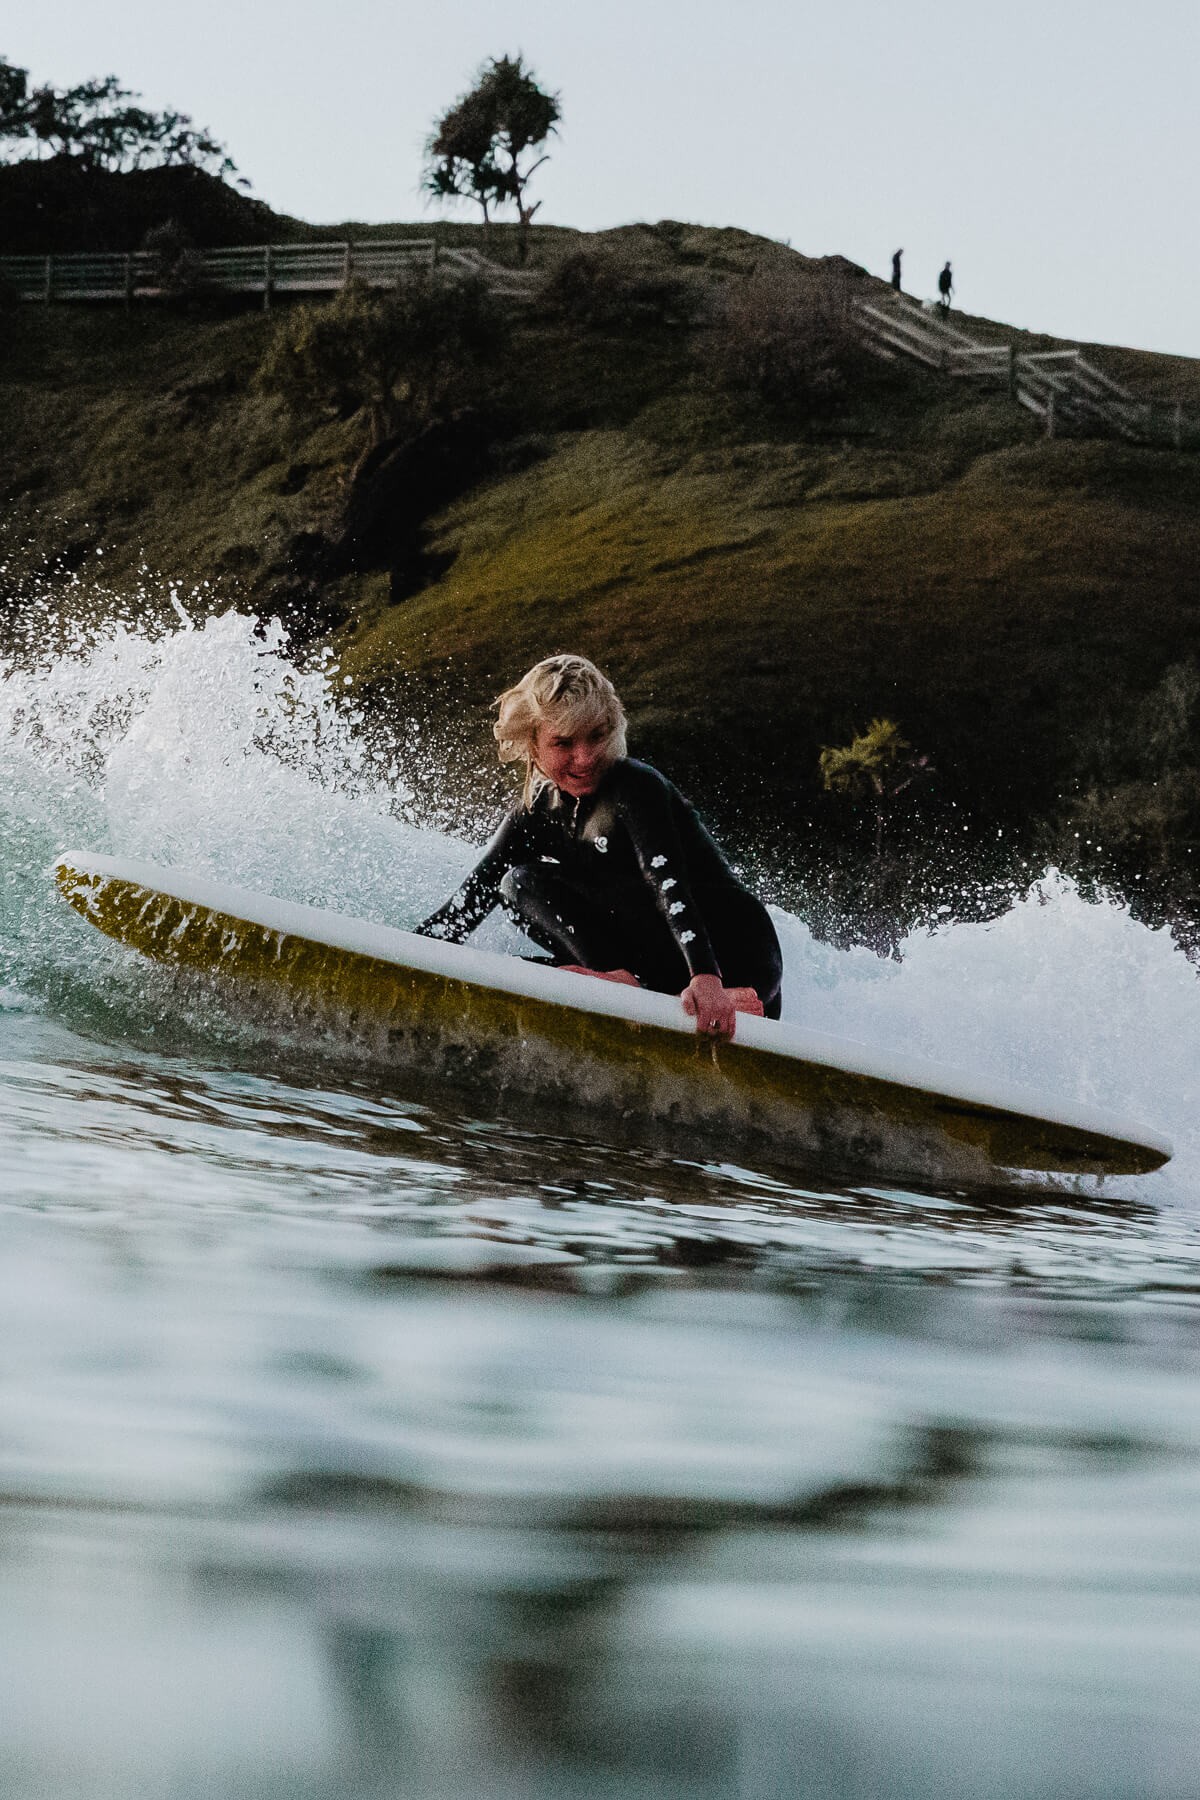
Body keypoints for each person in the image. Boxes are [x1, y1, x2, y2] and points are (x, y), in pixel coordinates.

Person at [414, 654, 783, 1040]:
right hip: (662, 976)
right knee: (516, 885)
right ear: (533, 743)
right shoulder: (534, 815)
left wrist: (706, 976)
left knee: (530, 887)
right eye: (564, 742)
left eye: (596, 735)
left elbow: (668, 882)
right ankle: (622, 983)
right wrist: (403, 952)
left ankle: (630, 985)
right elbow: (469, 901)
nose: (586, 757)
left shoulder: (634, 787)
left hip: (734, 962)